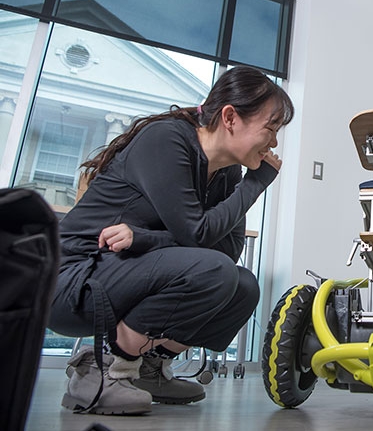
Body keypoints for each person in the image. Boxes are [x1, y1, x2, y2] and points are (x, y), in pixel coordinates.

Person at [48, 65, 294, 415]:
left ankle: (149, 369)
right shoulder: (167, 140)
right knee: (214, 271)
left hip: (124, 271)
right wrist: (254, 186)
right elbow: (197, 235)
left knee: (242, 286)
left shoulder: (227, 172)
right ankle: (104, 371)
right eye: (270, 128)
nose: (274, 142)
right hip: (73, 279)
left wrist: (145, 239)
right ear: (230, 117)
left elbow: (227, 248)